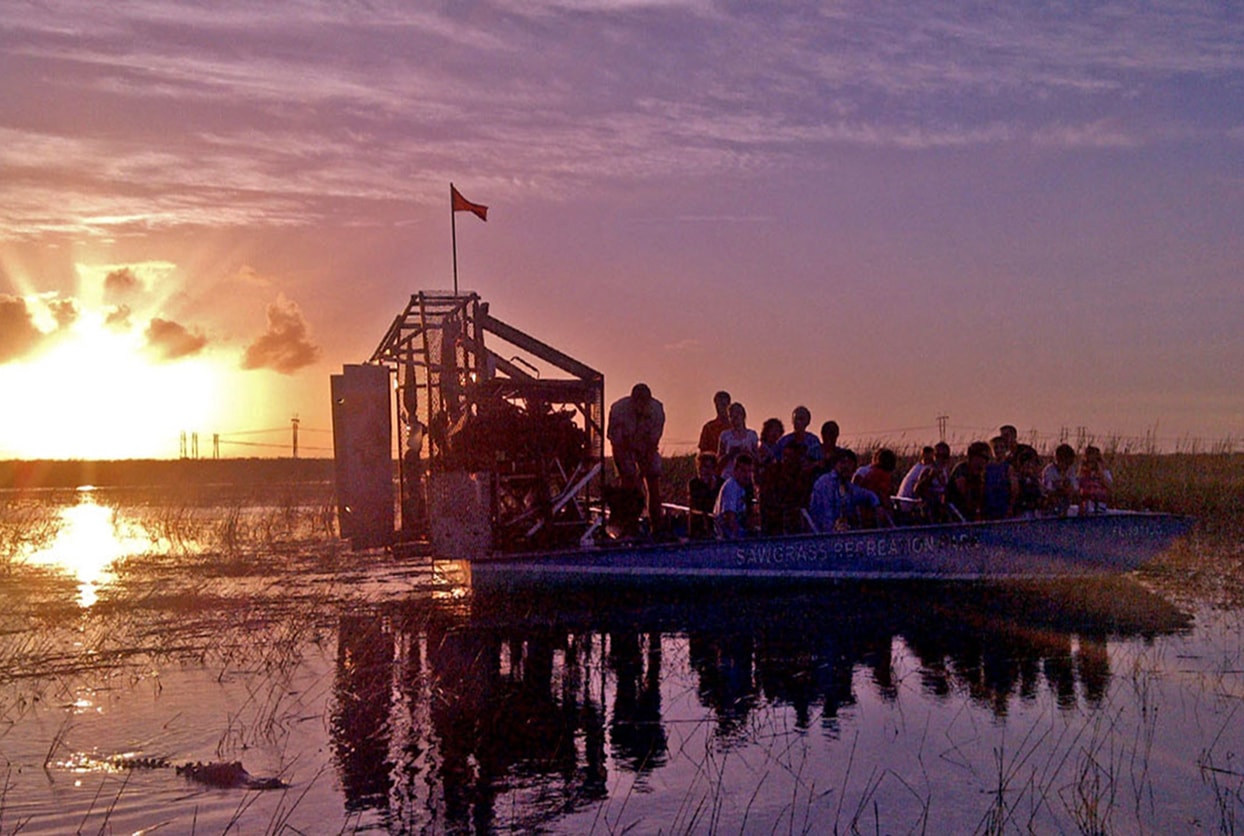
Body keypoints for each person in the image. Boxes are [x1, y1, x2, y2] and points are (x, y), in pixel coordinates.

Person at [607, 383, 666, 530]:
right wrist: (631, 472)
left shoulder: (657, 411)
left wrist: (644, 466)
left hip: (646, 446)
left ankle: (656, 523)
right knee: (628, 480)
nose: (641, 407)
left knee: (653, 480)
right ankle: (627, 522)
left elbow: (652, 442)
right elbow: (616, 441)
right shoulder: (618, 410)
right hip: (623, 447)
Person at [808, 448, 885, 532]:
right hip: (823, 536)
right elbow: (826, 517)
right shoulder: (825, 483)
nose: (846, 466)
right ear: (835, 464)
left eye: (850, 464)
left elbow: (866, 494)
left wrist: (877, 505)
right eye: (843, 462)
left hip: (844, 534)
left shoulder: (847, 485)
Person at [714, 453, 757, 538]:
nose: (747, 475)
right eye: (743, 471)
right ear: (735, 471)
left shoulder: (745, 488)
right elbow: (730, 519)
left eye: (749, 471)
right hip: (727, 537)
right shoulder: (731, 487)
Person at [947, 441, 991, 521]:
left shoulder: (981, 473)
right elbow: (963, 493)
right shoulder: (961, 469)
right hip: (955, 511)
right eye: (983, 457)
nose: (985, 461)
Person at [717, 402, 759, 480]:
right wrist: (730, 454)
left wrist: (748, 453)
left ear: (743, 415)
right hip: (728, 476)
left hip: (746, 477)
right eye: (731, 415)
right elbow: (719, 461)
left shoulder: (752, 435)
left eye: (737, 414)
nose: (734, 418)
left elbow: (757, 459)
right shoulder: (725, 435)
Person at [687, 452, 722, 539]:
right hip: (700, 522)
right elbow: (697, 504)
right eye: (700, 467)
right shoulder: (694, 484)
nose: (703, 470)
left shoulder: (721, 483)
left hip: (717, 521)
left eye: (707, 467)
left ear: (714, 468)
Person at [982, 435, 1017, 519]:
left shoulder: (1008, 468)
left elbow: (1014, 490)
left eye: (1001, 447)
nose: (998, 450)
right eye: (996, 447)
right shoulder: (987, 467)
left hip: (1003, 507)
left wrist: (1010, 507)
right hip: (989, 507)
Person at [853, 448, 898, 514]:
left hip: (860, 510)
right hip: (873, 513)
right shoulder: (882, 475)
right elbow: (883, 497)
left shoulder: (866, 471)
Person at [1042, 443, 1079, 516]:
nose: (1066, 466)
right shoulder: (1049, 470)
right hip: (1052, 503)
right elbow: (1047, 490)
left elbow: (1074, 488)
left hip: (1067, 502)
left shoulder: (1070, 470)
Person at [1078, 445, 1113, 514]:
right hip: (1086, 504)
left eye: (1093, 462)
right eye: (1089, 462)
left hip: (1100, 503)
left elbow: (1108, 485)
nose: (1091, 465)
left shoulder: (1105, 473)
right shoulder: (1082, 474)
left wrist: (1100, 474)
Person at [1012, 444, 1043, 518]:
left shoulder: (1035, 480)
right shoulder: (1018, 480)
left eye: (1031, 466)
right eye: (1027, 466)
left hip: (1034, 512)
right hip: (1022, 511)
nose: (1029, 469)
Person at [698, 391, 732, 457]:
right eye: (717, 405)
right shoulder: (709, 427)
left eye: (723, 405)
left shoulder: (735, 427)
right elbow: (703, 452)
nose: (720, 408)